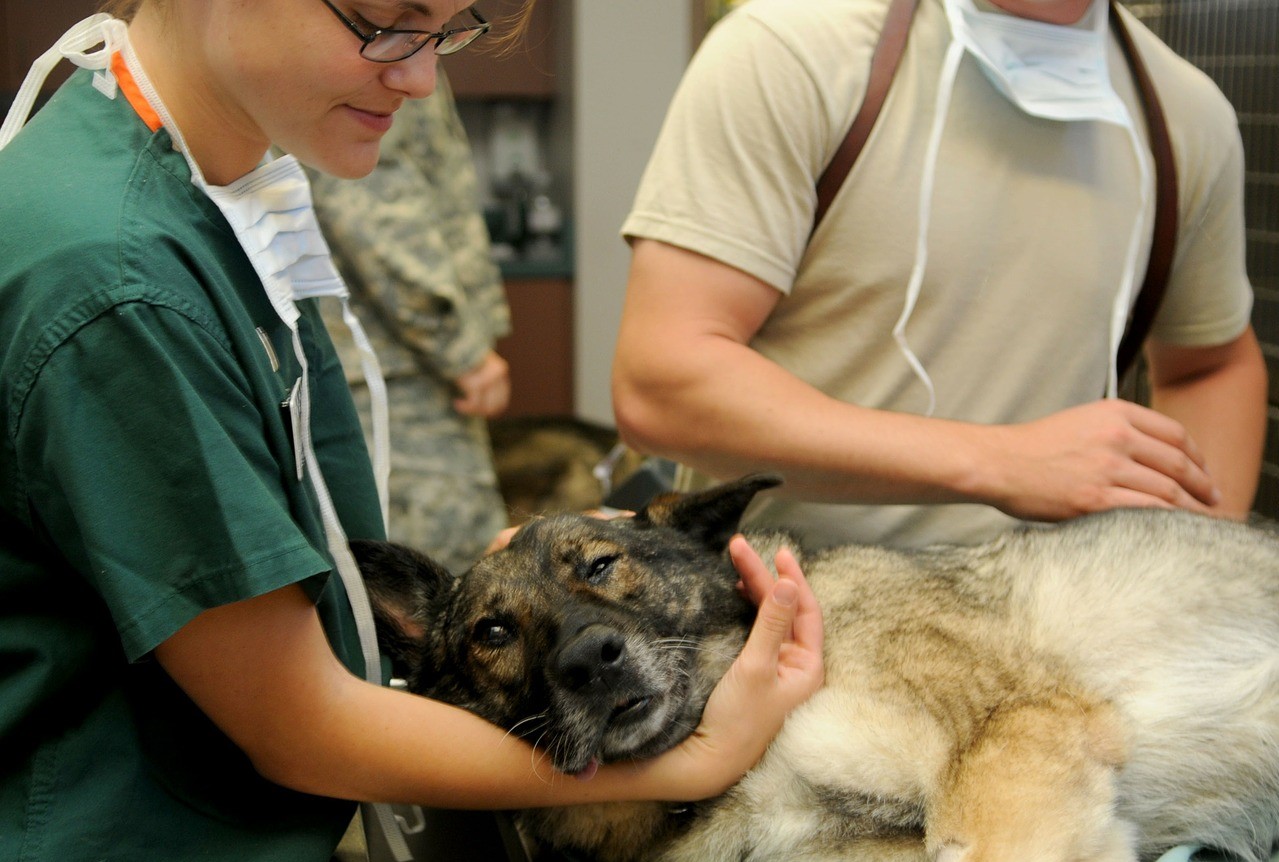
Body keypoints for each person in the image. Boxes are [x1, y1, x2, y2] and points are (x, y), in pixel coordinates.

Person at [0, 3, 824, 861]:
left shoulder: (221, 192)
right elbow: (299, 725)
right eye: (383, 21)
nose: (422, 78)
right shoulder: (117, 284)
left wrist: (529, 582)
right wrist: (699, 758)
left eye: (447, 31)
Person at [613, 0, 1269, 552]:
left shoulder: (1185, 117)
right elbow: (661, 383)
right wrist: (1002, 461)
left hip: (1055, 626)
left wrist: (1193, 565)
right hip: (785, 618)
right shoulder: (793, 52)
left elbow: (1210, 365)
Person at [307, 71, 512, 574]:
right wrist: (460, 349)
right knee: (441, 578)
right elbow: (371, 204)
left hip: (383, 359)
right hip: (393, 369)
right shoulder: (381, 49)